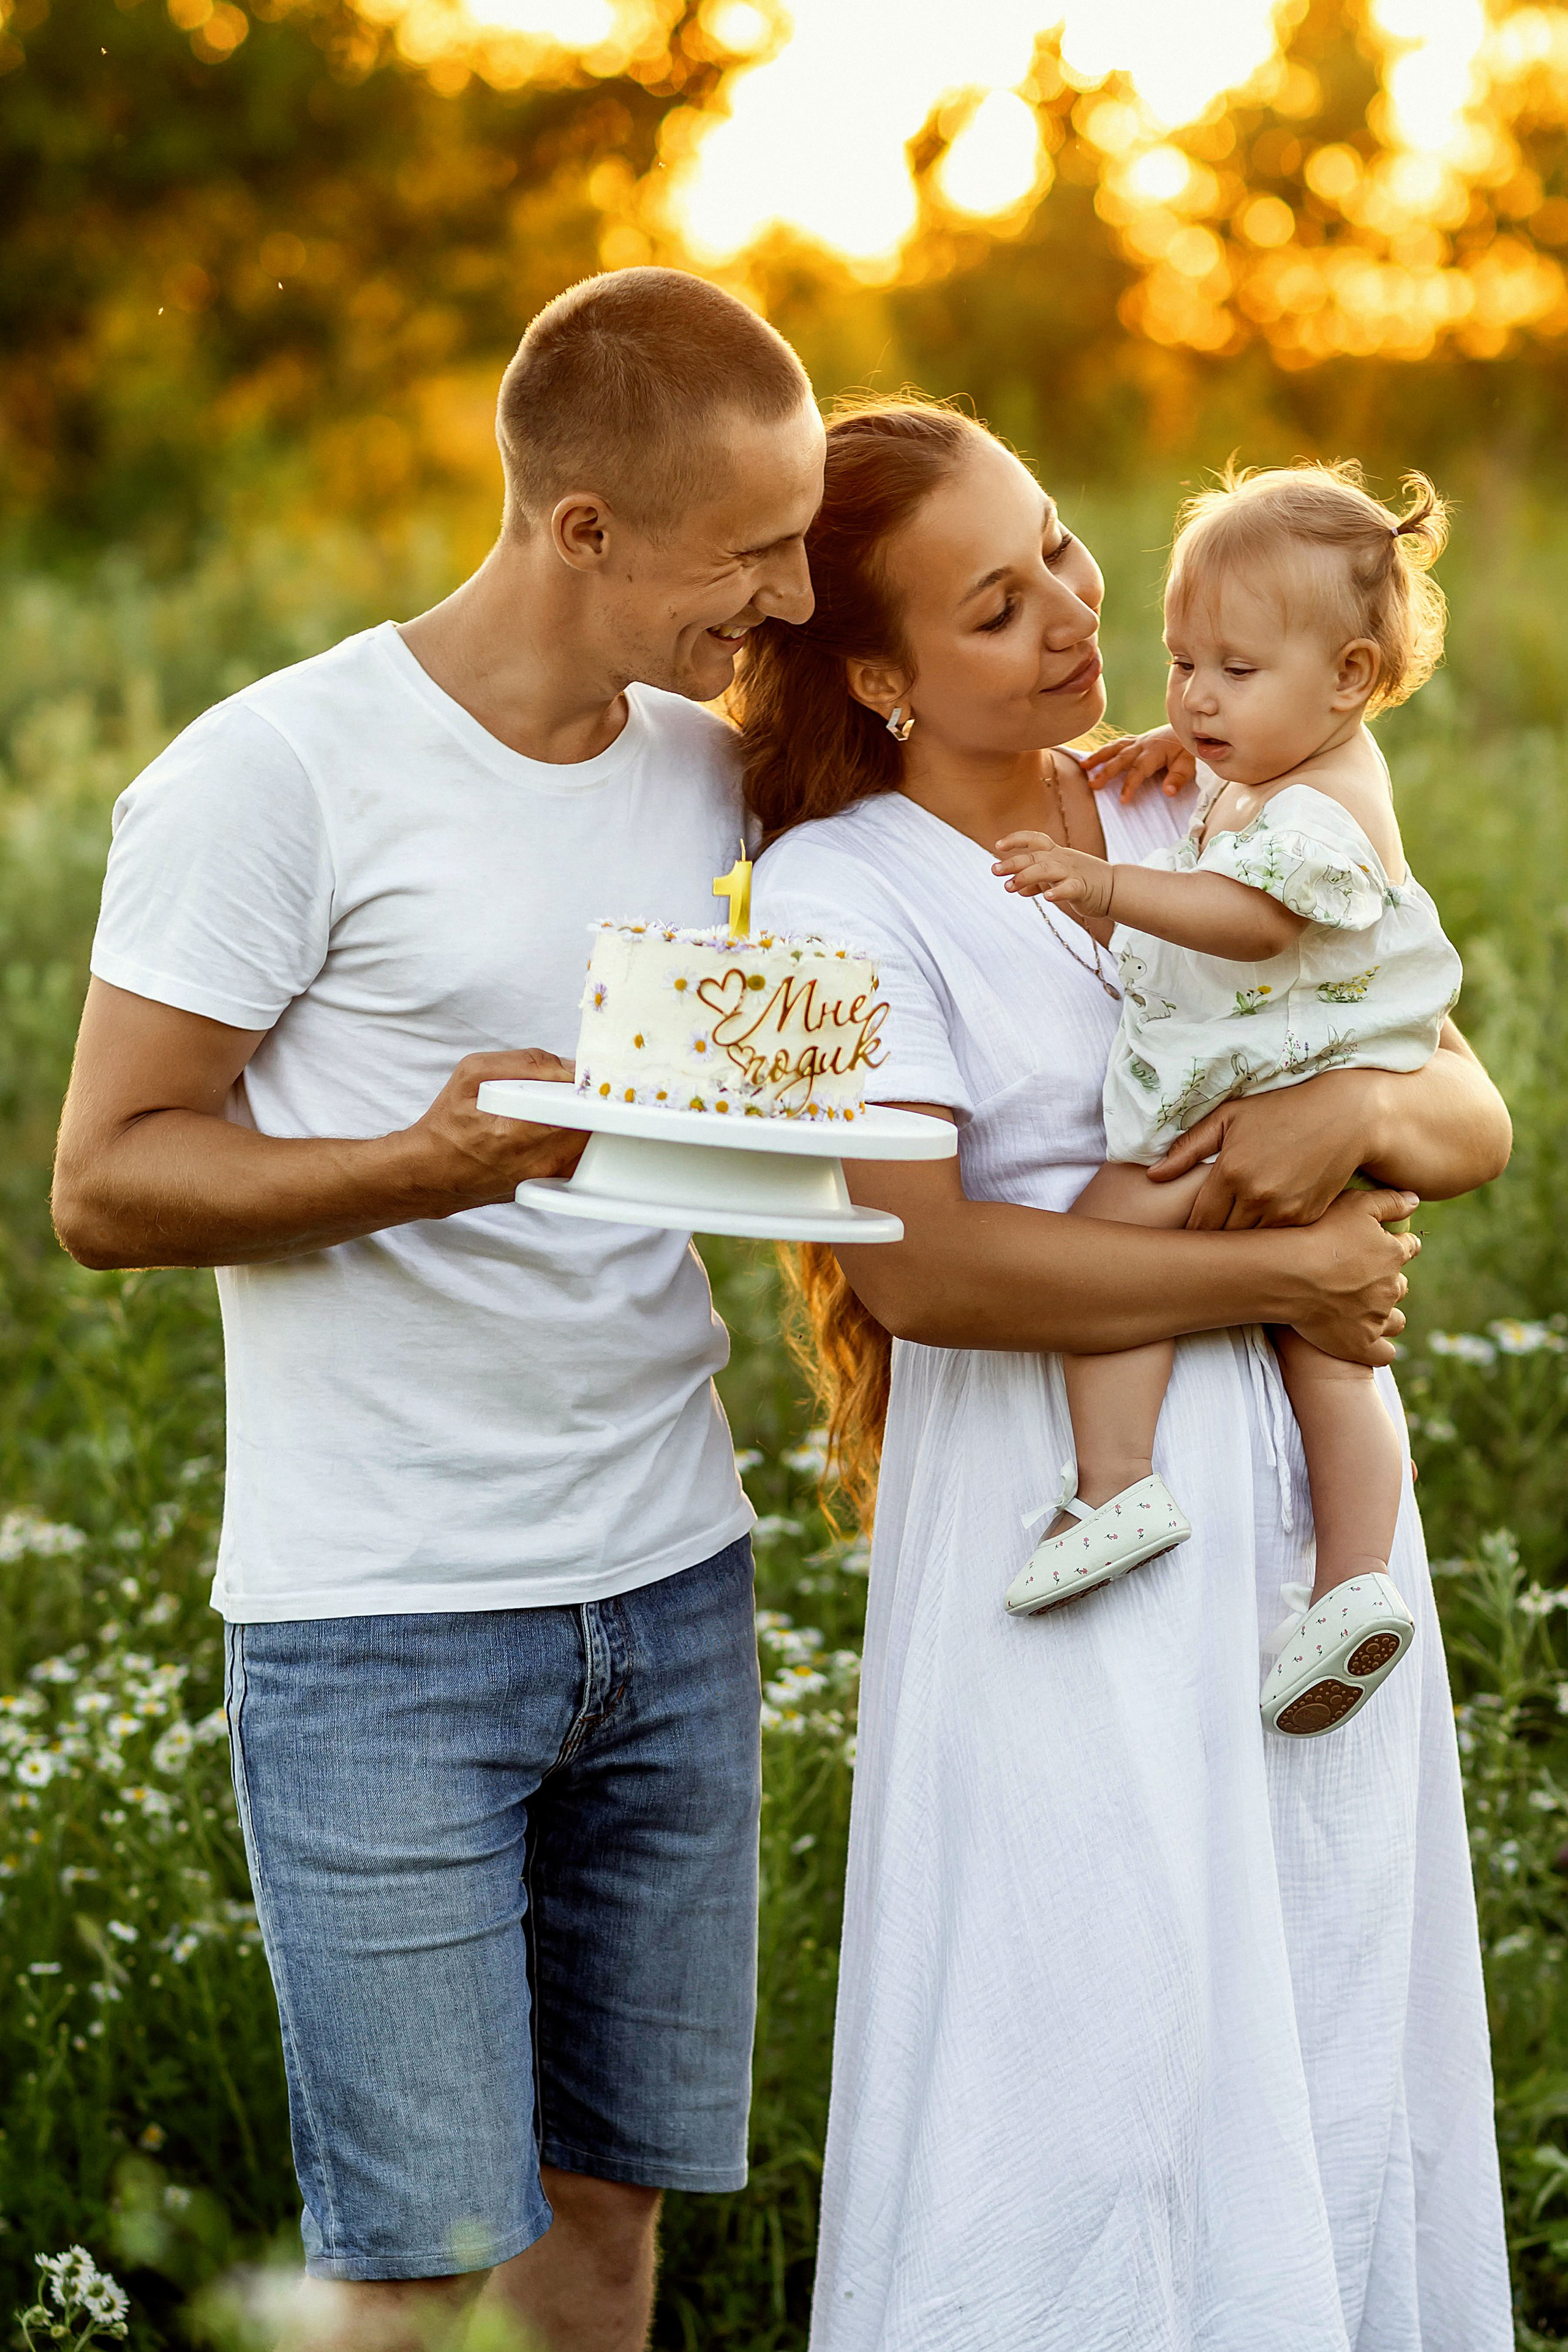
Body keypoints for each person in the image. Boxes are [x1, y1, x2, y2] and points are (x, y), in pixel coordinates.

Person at [50, 267, 825, 2352]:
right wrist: (429, 1161)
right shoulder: (273, 776)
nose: (788, 589)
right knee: (408, 2267)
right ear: (582, 528)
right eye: (750, 549)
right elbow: (109, 1180)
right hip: (383, 1620)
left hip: (670, 1586)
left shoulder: (702, 769)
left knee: (607, 2229)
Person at [743, 398, 1514, 2350]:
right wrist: (1295, 1256)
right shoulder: (842, 893)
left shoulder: (1206, 793)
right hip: (1055, 1513)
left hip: (1297, 1516)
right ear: (881, 673)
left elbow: (1463, 1103)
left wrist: (1345, 1106)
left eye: (1066, 548)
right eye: (998, 607)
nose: (1079, 616)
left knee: (1320, 2015)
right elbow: (919, 1277)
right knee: (1086, 2048)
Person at [995, 462, 1464, 1744]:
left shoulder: (1321, 808)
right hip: (1308, 1120)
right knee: (1327, 1354)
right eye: (1181, 663)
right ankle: (1353, 1582)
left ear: (1351, 677)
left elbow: (1249, 919)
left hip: (1249, 1121)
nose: (1195, 697)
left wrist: (1102, 888)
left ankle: (1113, 1485)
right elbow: (1231, 809)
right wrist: (1186, 758)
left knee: (1106, 1231)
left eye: (1232, 674)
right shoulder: (1283, 768)